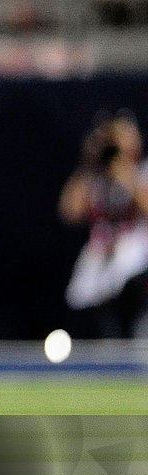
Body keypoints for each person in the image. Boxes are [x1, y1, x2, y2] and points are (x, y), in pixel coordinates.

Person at [58, 111, 148, 338]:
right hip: (101, 251)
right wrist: (90, 162)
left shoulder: (141, 170)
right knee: (85, 299)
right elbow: (69, 211)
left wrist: (125, 171)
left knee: (129, 270)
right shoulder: (96, 174)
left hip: (136, 252)